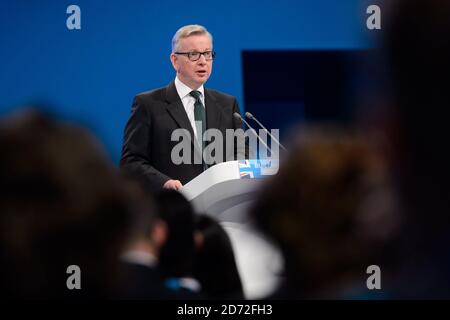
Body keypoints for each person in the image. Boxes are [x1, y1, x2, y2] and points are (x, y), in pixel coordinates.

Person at [120, 24, 247, 192]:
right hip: (171, 208)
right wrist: (164, 182)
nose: (203, 61)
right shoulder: (148, 104)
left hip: (219, 208)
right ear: (174, 61)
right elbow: (131, 162)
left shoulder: (227, 104)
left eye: (207, 54)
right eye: (193, 54)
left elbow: (241, 153)